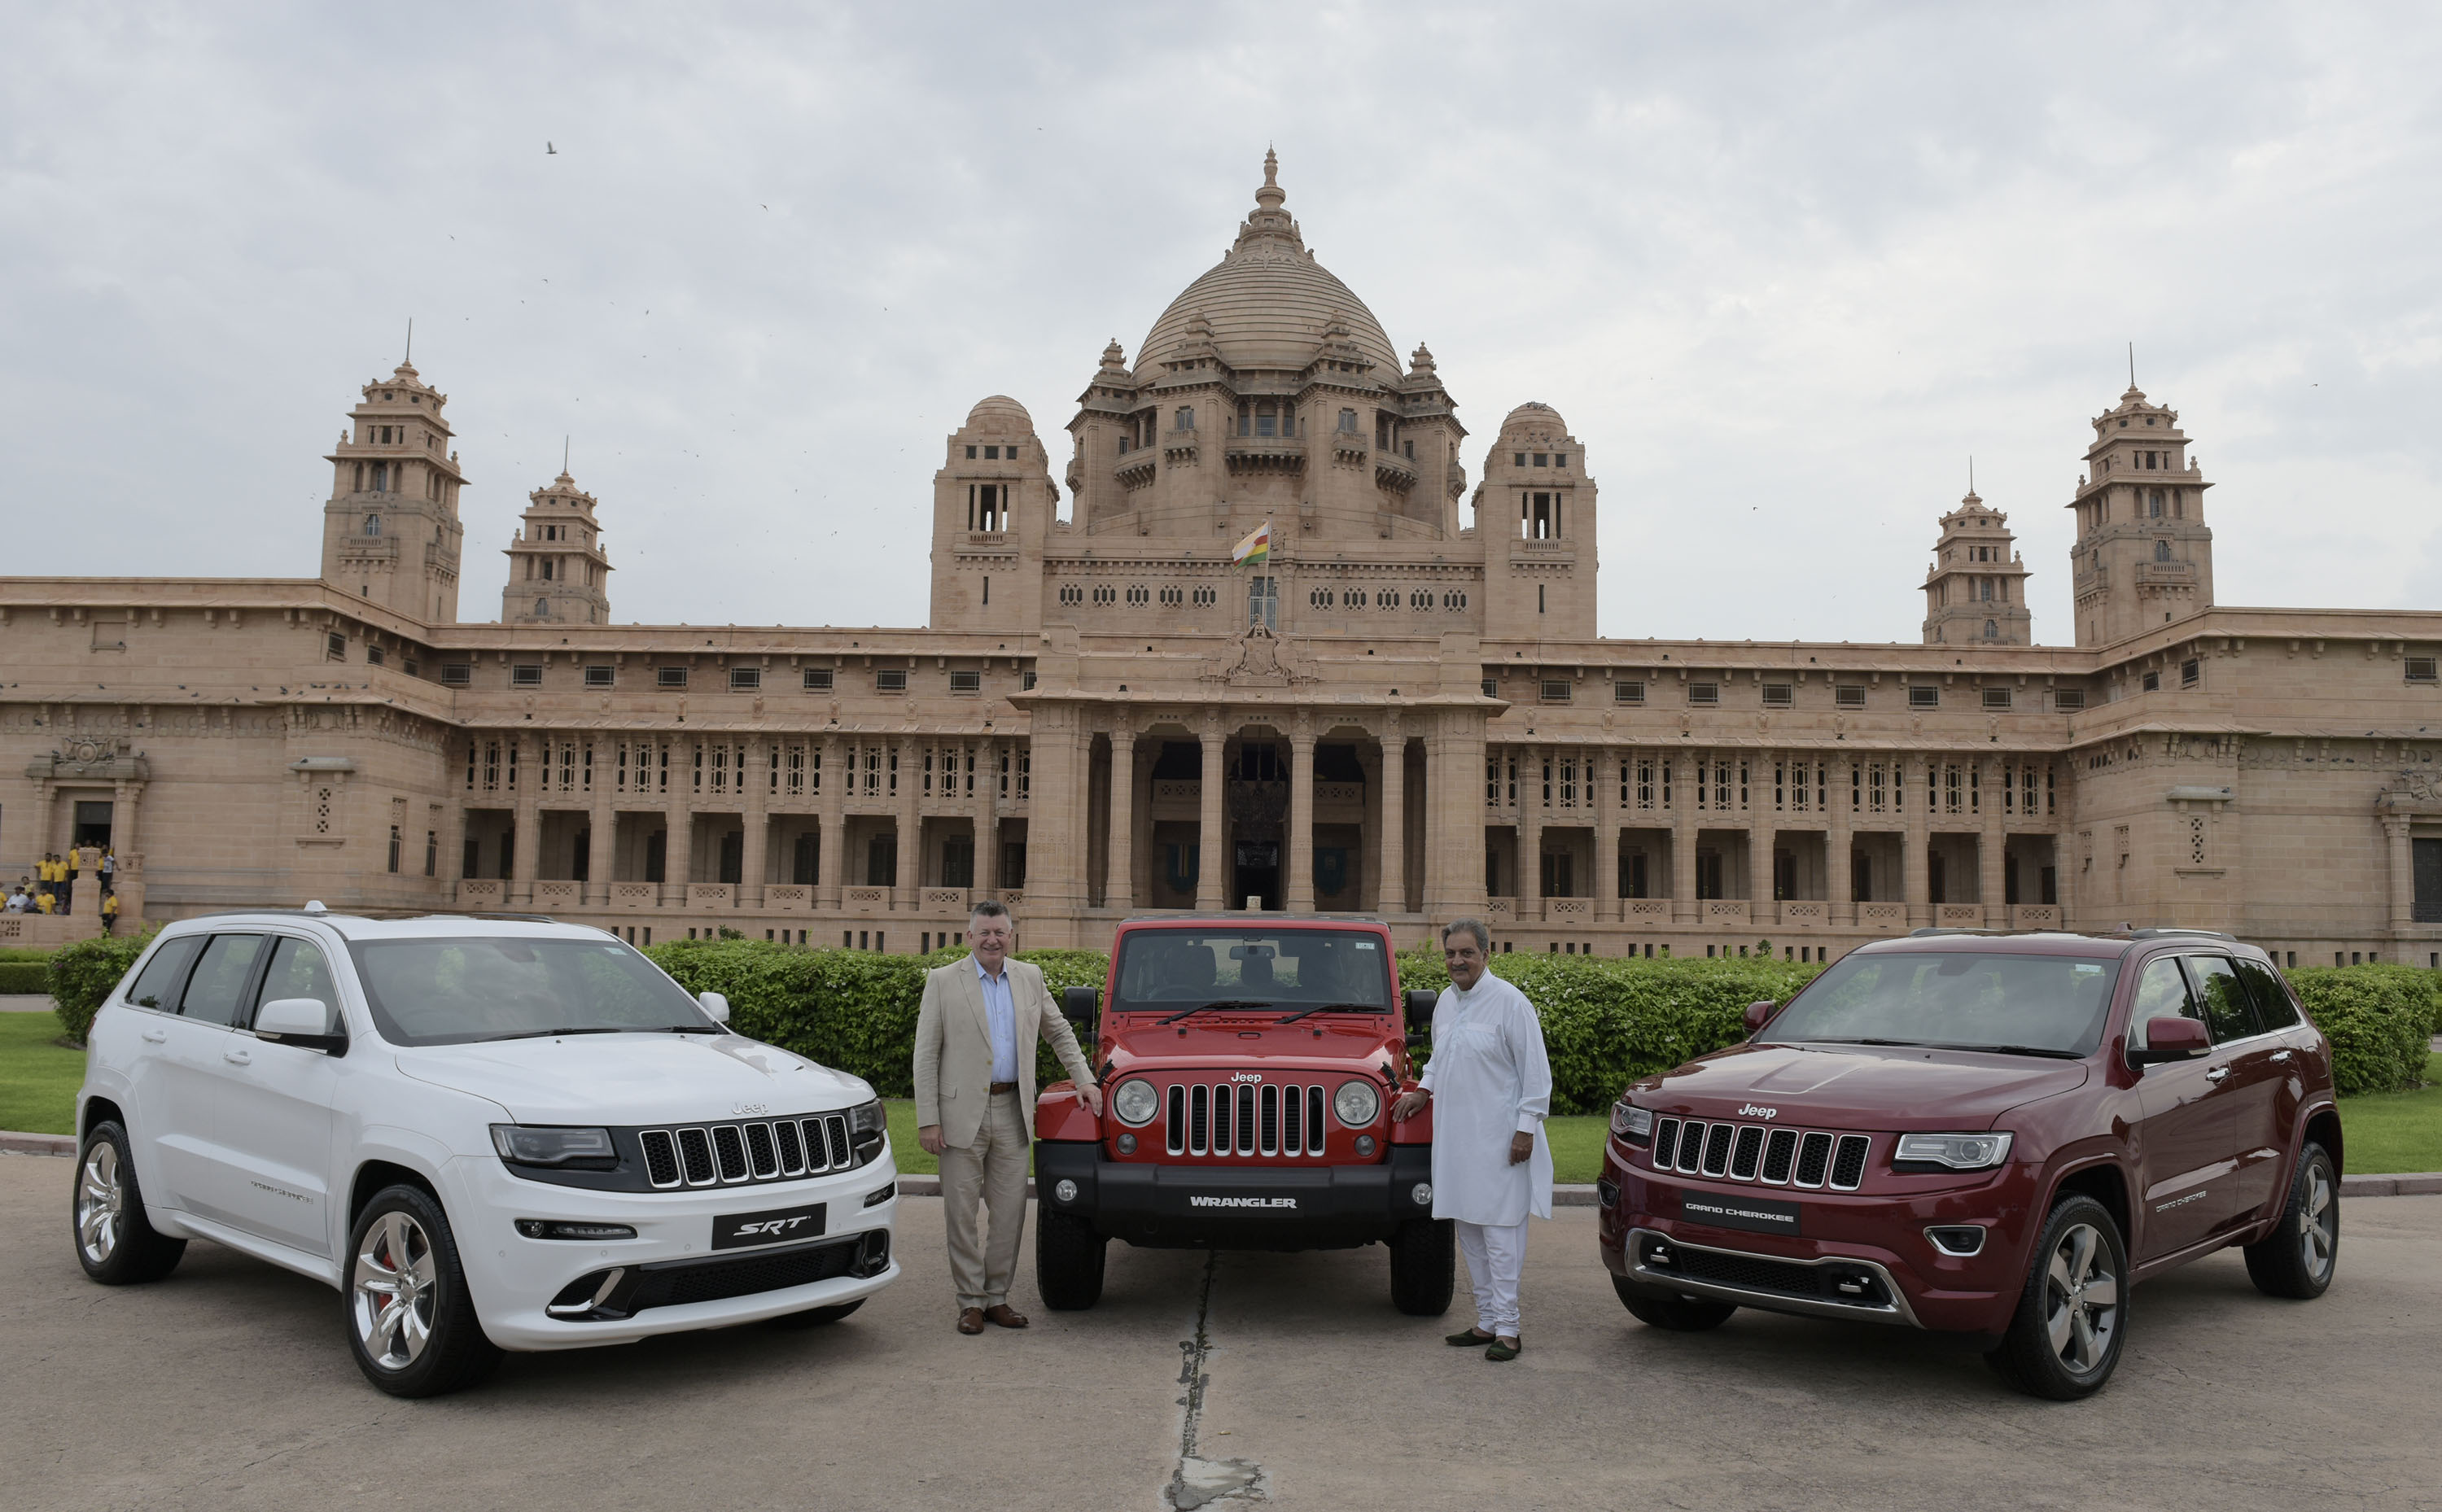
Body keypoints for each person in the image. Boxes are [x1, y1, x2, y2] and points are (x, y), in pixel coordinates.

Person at [912, 899, 1103, 1335]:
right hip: (960, 1115)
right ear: (970, 937)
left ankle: (997, 1298)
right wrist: (928, 1119)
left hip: (1014, 1111)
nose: (992, 939)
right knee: (961, 1214)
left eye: (999, 932)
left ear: (1010, 936)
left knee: (1011, 1213)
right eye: (984, 932)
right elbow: (925, 1057)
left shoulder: (1029, 978)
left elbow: (1058, 1032)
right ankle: (970, 1302)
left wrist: (1084, 1080)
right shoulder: (943, 982)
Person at [1389, 919, 1552, 1361]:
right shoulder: (1446, 1002)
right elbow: (1440, 1060)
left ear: (1486, 954)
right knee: (1468, 1232)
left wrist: (1526, 1129)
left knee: (1501, 1234)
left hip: (1499, 1139)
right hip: (1456, 1140)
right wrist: (1423, 1091)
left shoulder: (1510, 1003)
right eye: (1450, 954)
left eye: (1466, 953)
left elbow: (1536, 1076)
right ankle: (1485, 1322)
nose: (1457, 961)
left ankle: (1510, 1330)